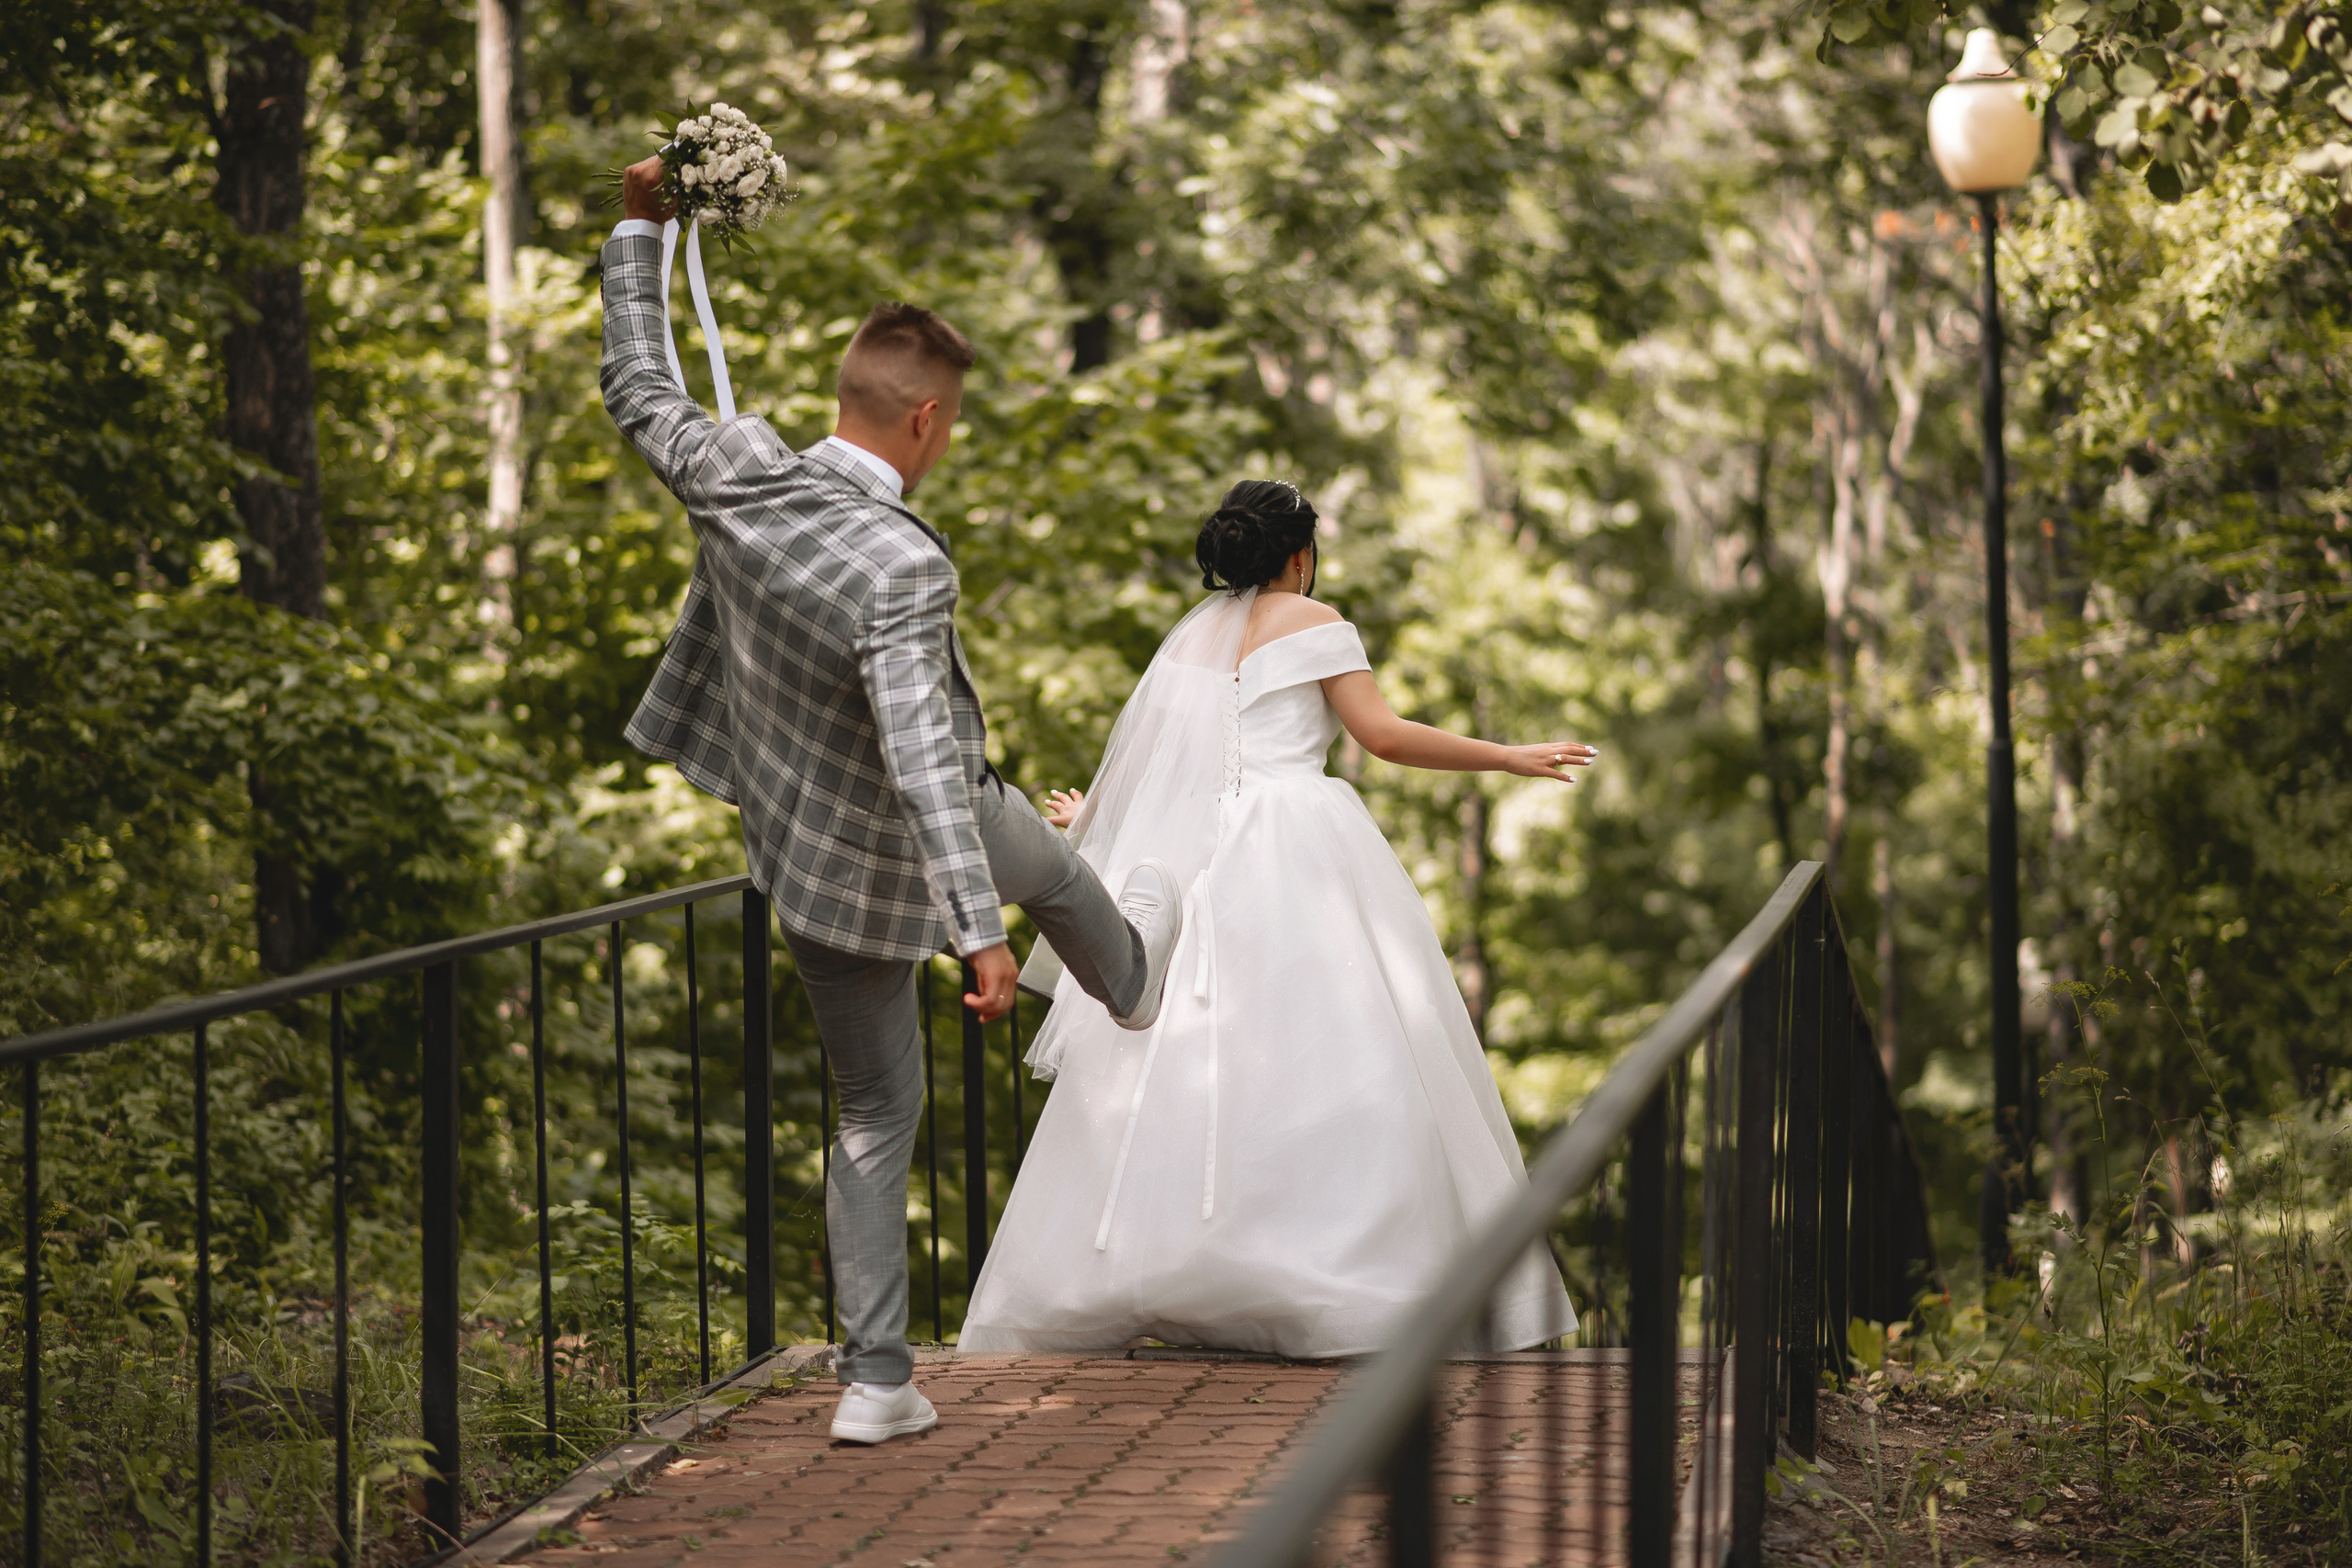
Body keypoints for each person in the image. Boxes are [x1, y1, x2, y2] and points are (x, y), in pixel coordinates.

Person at [599, 154, 1186, 1442]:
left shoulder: (734, 470)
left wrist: (639, 227)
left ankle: (875, 1384)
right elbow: (926, 756)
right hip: (937, 831)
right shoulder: (898, 566)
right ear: (923, 422)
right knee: (1067, 876)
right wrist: (978, 928)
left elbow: (638, 384)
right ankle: (1137, 983)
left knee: (873, 1116)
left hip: (808, 863)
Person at [961, 480, 1587, 1358]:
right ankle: (1331, 1272)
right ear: (1300, 553)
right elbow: (1385, 735)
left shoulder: (1194, 639)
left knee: (1184, 1061)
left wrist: (1091, 821)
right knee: (1335, 1050)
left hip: (1197, 855)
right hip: (1299, 843)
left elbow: (1152, 757)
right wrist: (1506, 756)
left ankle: (1163, 1268)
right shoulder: (1316, 620)